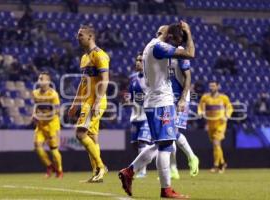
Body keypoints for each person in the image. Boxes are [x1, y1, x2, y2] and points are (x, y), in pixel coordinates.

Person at [119, 21, 195, 199]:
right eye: (176, 41)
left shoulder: (152, 47)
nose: (177, 45)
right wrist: (189, 33)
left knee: (160, 143)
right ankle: (166, 189)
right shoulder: (159, 47)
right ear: (168, 37)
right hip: (161, 101)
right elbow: (190, 53)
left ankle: (130, 171)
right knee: (167, 145)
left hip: (156, 100)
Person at [157, 25, 199, 179]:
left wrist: (182, 98)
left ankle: (191, 157)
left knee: (172, 132)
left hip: (180, 97)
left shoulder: (180, 52)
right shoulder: (164, 51)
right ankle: (173, 168)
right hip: (167, 96)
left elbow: (188, 77)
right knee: (168, 134)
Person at [68, 25, 109, 183]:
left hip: (95, 101)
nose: (77, 38)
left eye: (80, 35)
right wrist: (74, 104)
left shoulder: (100, 55)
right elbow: (82, 83)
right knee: (92, 137)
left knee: (80, 134)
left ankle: (101, 166)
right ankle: (96, 174)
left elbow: (105, 80)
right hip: (86, 101)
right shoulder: (84, 57)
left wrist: (97, 101)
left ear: (90, 36)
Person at [125, 53, 152, 178]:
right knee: (135, 144)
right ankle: (145, 161)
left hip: (147, 116)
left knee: (142, 142)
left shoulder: (151, 78)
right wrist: (127, 101)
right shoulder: (133, 79)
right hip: (135, 116)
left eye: (140, 60)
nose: (137, 62)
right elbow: (129, 96)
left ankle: (142, 171)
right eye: (137, 60)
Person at [32, 72, 63, 178]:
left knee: (54, 150)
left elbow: (57, 111)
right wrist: (34, 115)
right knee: (37, 146)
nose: (39, 81)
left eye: (42, 79)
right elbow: (36, 107)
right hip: (40, 126)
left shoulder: (53, 94)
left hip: (52, 125)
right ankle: (50, 166)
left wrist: (42, 116)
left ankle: (59, 171)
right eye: (39, 79)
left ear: (48, 81)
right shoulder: (35, 93)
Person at [198, 81, 233, 173]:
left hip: (220, 123)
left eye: (213, 86)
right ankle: (223, 163)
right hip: (210, 123)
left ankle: (216, 165)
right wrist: (201, 113)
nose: (211, 88)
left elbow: (229, 107)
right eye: (210, 86)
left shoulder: (223, 98)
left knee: (216, 142)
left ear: (218, 87)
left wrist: (226, 116)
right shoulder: (205, 97)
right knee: (216, 145)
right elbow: (200, 107)